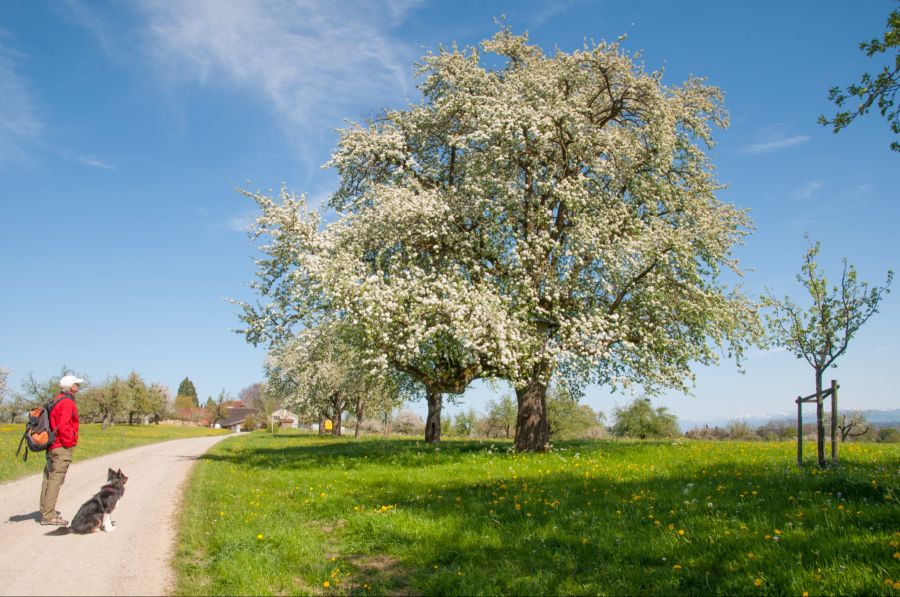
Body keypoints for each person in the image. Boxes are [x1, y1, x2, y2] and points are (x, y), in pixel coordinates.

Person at [39, 374, 83, 526]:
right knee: (56, 479)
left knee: (49, 477)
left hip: (51, 445)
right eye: (76, 384)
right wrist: (70, 442)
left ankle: (45, 510)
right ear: (70, 386)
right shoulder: (67, 403)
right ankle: (48, 515)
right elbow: (64, 425)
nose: (78, 386)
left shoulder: (56, 400)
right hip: (61, 445)